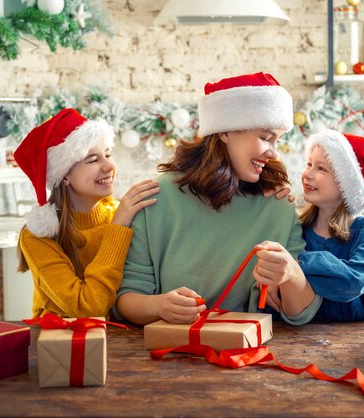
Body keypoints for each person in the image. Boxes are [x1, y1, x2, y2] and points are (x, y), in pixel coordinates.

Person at [116, 72, 322, 325]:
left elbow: (301, 314)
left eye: (278, 140)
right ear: (225, 132)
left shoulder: (277, 202)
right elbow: (126, 299)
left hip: (247, 355)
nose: (273, 153)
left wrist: (291, 273)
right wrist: (158, 306)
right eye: (266, 137)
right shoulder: (156, 199)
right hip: (171, 354)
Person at [253, 129, 364, 322]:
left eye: (321, 169)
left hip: (355, 334)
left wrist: (295, 266)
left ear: (348, 185)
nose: (307, 174)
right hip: (296, 334)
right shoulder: (296, 227)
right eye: (309, 164)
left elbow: (355, 280)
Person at [14, 108, 159, 319]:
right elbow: (89, 307)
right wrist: (117, 229)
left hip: (123, 341)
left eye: (108, 154)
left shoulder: (121, 213)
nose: (109, 165)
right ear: (64, 176)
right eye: (93, 160)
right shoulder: (37, 237)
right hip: (63, 346)